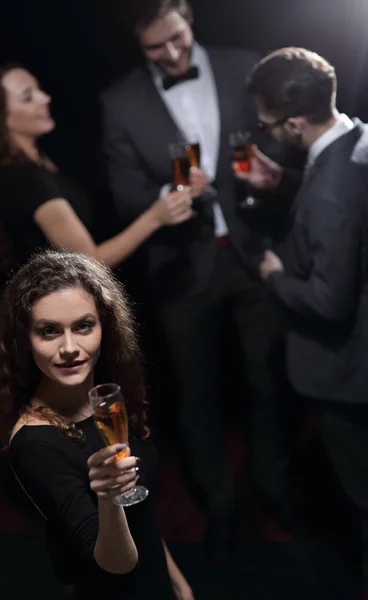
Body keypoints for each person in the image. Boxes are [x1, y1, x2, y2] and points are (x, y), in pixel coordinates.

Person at [101, 0, 299, 553]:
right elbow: (124, 195)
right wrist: (167, 199)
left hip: (255, 255)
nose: (171, 53)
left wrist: (273, 175)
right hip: (182, 270)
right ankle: (219, 504)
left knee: (268, 384)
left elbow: (286, 144)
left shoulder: (245, 66)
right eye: (155, 48)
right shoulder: (120, 101)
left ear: (189, 16)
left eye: (178, 38)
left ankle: (276, 490)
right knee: (196, 396)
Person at [0, 249, 195, 600]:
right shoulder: (35, 443)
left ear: (104, 327)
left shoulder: (107, 399)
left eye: (83, 326)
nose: (69, 348)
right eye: (49, 331)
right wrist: (108, 497)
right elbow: (116, 564)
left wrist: (175, 579)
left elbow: (141, 509)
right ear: (25, 340)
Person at [235, 46, 368, 596]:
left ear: (292, 122)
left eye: (267, 124)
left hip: (346, 371)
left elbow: (328, 300)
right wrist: (288, 185)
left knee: (362, 493)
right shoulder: (357, 139)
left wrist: (272, 275)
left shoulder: (331, 196)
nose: (264, 133)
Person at [0, 64, 193, 273]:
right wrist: (155, 217)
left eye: (39, 89)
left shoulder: (40, 161)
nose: (45, 98)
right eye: (28, 97)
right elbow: (89, 263)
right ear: (0, 118)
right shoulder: (26, 178)